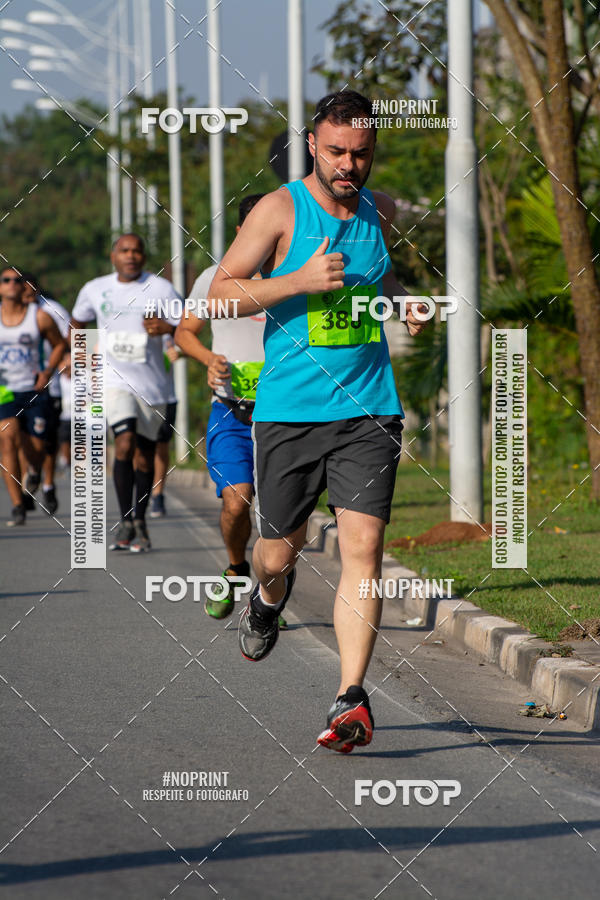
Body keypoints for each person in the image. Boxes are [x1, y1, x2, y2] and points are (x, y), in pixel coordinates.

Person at [208, 91, 428, 753]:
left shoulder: (379, 211)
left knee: (364, 551)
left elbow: (376, 279)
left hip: (369, 409)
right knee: (278, 553)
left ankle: (350, 697)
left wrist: (404, 302)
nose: (348, 166)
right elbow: (221, 295)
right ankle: (268, 597)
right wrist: (297, 281)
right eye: (336, 151)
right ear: (312, 144)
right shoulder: (281, 211)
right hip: (290, 414)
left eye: (360, 154)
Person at [176, 194, 285, 627]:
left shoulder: (298, 278)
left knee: (278, 518)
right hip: (232, 412)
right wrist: (208, 360)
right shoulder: (213, 279)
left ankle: (270, 591)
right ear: (243, 232)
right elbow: (185, 332)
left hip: (284, 414)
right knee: (238, 501)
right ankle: (237, 567)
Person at [70, 233, 181, 552]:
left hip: (152, 386)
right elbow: (77, 323)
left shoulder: (161, 288)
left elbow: (186, 325)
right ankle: (125, 517)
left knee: (145, 457)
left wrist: (168, 329)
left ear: (144, 257)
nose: (131, 256)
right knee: (124, 441)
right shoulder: (95, 288)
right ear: (113, 255)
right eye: (124, 250)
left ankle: (140, 520)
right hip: (112, 381)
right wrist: (81, 354)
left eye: (137, 251)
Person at [0, 266, 66, 526]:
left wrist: (48, 371)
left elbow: (60, 343)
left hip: (34, 389)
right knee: (7, 441)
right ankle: (17, 505)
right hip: (4, 391)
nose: (12, 284)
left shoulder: (40, 317)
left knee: (37, 448)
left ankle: (35, 472)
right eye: (6, 280)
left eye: (17, 280)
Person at [21, 273, 70, 515]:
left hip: (49, 386)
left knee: (47, 440)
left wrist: (69, 360)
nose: (29, 299)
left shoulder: (52, 311)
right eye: (24, 294)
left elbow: (71, 339)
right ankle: (27, 481)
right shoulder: (6, 313)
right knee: (20, 437)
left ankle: (48, 484)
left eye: (33, 294)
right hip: (13, 386)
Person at [149, 334, 179, 518]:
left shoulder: (169, 329)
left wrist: (178, 352)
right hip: (139, 396)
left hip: (166, 397)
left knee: (161, 445)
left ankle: (158, 493)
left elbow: (185, 342)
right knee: (138, 446)